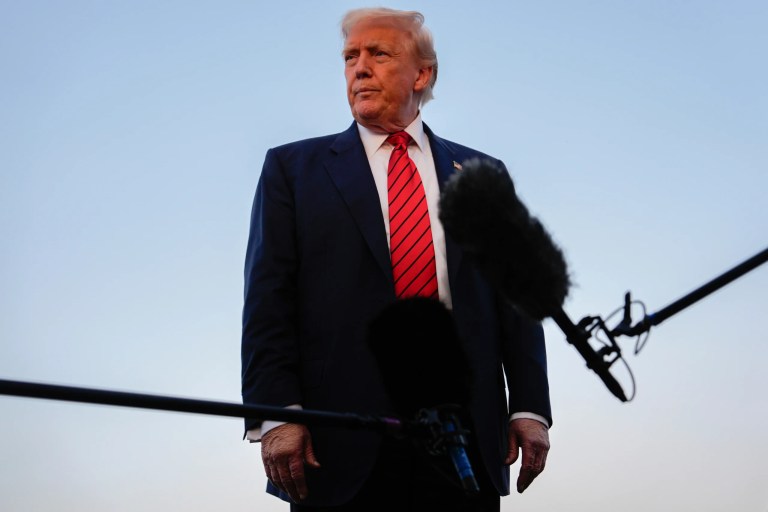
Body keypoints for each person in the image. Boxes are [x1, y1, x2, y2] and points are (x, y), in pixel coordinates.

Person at [241, 7, 552, 511]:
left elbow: (514, 299)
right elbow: (267, 299)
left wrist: (530, 408)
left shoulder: (481, 173)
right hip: (337, 441)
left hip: (464, 435)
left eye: (378, 54)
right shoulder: (292, 169)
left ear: (422, 73)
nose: (359, 67)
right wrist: (277, 414)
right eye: (350, 57)